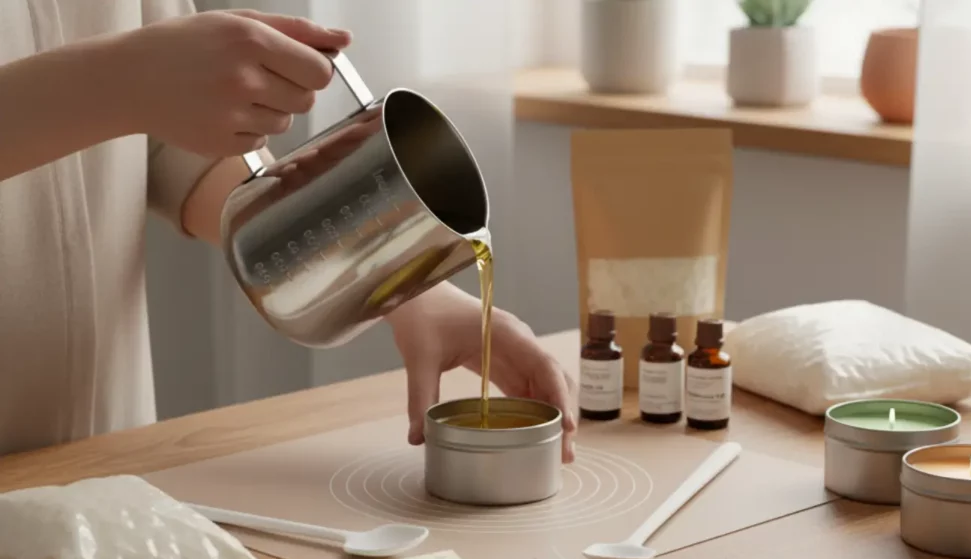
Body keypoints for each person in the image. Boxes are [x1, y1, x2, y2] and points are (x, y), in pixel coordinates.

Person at [0, 1, 577, 462]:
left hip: (101, 451)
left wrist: (413, 290)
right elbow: (125, 91)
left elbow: (160, 146)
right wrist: (117, 80)